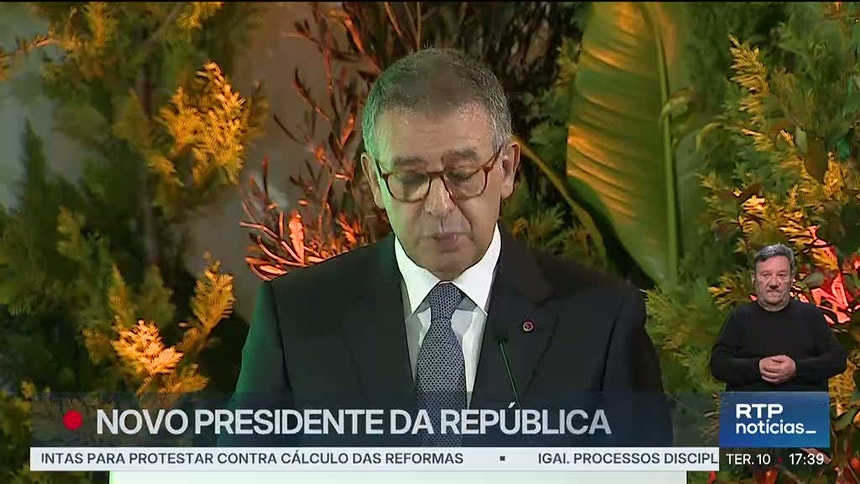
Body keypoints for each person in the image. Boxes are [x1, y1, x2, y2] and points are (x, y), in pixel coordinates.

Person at [229, 47, 669, 447]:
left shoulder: (601, 322)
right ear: (375, 182)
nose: (440, 205)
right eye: (410, 179)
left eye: (462, 174)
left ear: (507, 168)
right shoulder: (296, 317)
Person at [710, 243, 848, 392]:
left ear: (791, 278)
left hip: (803, 405)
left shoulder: (810, 315)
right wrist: (757, 367)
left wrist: (796, 368)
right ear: (754, 278)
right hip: (751, 405)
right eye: (766, 275)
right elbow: (718, 365)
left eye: (781, 275)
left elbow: (837, 360)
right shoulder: (740, 318)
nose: (774, 283)